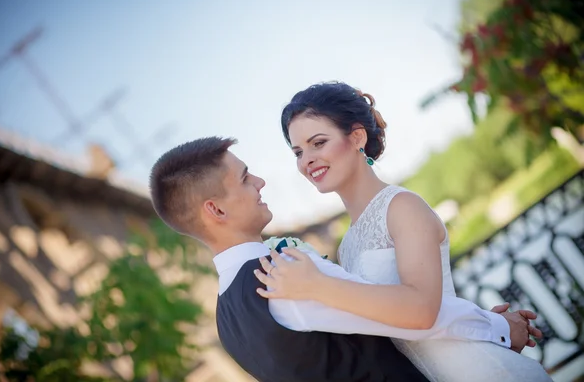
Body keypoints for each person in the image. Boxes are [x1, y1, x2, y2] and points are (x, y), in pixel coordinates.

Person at [150, 137, 541, 382]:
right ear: (216, 211)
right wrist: (500, 326)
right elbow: (412, 315)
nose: (260, 182)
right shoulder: (283, 272)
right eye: (245, 177)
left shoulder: (226, 319)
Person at [253, 81, 551, 381]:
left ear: (356, 137)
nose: (307, 160)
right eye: (298, 152)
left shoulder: (402, 207)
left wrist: (316, 285)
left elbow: (422, 310)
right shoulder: (348, 245)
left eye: (318, 143)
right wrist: (490, 323)